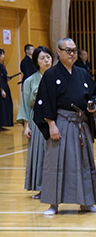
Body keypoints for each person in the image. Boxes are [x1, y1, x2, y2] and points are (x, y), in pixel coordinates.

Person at [33, 38, 96, 216]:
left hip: (80, 123)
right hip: (61, 123)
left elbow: (93, 94)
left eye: (74, 50)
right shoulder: (51, 74)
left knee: (84, 163)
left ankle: (86, 202)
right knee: (56, 163)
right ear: (59, 51)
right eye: (68, 50)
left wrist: (92, 105)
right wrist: (51, 124)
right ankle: (53, 204)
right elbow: (44, 100)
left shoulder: (82, 73)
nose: (72, 54)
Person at [16, 46, 53, 199]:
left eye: (48, 57)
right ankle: (41, 188)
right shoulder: (30, 81)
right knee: (40, 155)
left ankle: (57, 187)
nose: (46, 60)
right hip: (37, 121)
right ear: (36, 62)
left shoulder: (57, 77)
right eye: (42, 58)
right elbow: (25, 104)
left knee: (55, 154)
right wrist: (26, 126)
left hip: (56, 120)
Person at [0, 48, 14, 131]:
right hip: (1, 89)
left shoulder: (1, 65)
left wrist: (6, 78)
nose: (3, 56)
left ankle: (2, 124)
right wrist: (1, 90)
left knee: (4, 107)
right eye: (2, 54)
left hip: (4, 86)